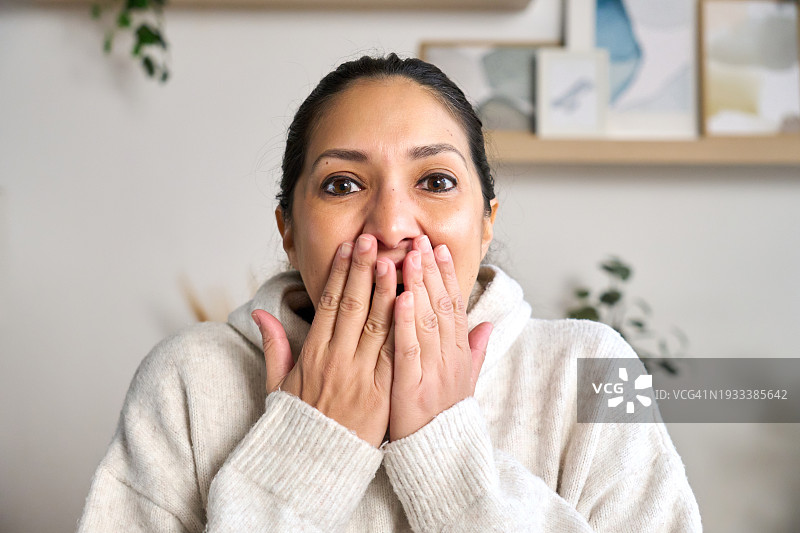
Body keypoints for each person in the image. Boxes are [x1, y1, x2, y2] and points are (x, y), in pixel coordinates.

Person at [77, 53, 702, 532]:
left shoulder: (587, 370)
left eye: (434, 179)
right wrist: (307, 452)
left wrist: (445, 448)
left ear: (485, 223)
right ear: (288, 232)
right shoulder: (189, 378)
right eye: (343, 185)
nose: (392, 225)